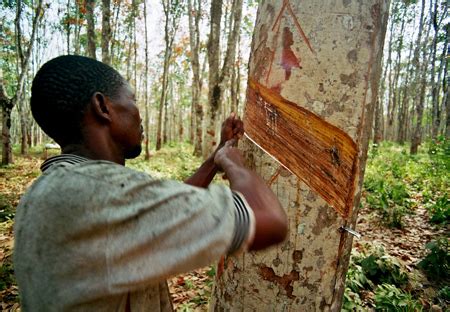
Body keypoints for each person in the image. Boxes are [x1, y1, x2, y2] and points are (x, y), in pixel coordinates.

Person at [13, 55, 287, 311]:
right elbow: (269, 220)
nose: (139, 114)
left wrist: (214, 159)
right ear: (102, 107)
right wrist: (234, 163)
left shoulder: (63, 187)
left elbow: (166, 211)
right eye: (132, 100)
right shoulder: (94, 191)